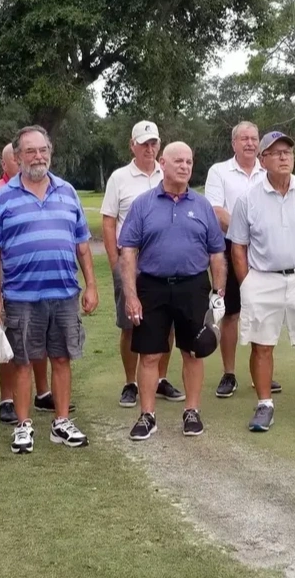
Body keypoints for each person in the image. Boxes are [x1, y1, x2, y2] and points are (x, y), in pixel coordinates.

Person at [0, 126, 98, 452]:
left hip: (64, 293)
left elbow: (82, 245)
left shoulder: (68, 192)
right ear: (17, 157)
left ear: (50, 152)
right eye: (30, 151)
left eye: (43, 149)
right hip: (21, 296)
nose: (38, 156)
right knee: (22, 361)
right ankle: (23, 425)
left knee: (61, 358)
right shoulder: (2, 197)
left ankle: (61, 423)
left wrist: (91, 286)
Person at [229, 131, 295, 433]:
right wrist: (246, 283)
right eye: (275, 152)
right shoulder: (247, 199)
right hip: (263, 279)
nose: (283, 157)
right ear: (262, 159)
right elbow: (238, 245)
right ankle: (264, 404)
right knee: (262, 345)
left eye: (287, 152)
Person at [119, 141, 228, 439]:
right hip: (152, 287)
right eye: (178, 160)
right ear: (163, 165)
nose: (184, 166)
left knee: (194, 352)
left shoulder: (202, 205)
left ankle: (191, 411)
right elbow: (128, 252)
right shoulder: (143, 204)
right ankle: (147, 415)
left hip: (193, 287)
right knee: (150, 355)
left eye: (189, 161)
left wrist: (218, 294)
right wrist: (130, 295)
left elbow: (217, 253)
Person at [101, 120, 185, 407]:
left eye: (154, 144)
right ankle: (131, 382)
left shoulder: (169, 171)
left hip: (164, 265)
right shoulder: (119, 178)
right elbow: (109, 222)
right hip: (131, 265)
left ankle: (159, 378)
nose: (149, 149)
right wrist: (115, 262)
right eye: (144, 144)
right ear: (132, 145)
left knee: (168, 326)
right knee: (130, 325)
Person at [0, 142, 61, 423]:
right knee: (9, 342)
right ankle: (7, 398)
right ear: (8, 162)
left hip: (40, 281)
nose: (29, 160)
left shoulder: (50, 187)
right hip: (8, 278)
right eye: (19, 156)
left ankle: (42, 392)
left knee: (38, 339)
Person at [202, 120, 266, 398]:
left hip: (265, 251)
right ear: (234, 143)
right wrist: (246, 235)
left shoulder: (268, 171)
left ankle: (260, 372)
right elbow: (216, 210)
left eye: (254, 138)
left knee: (263, 311)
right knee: (231, 313)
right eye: (244, 139)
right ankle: (229, 373)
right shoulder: (219, 171)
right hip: (229, 249)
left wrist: (259, 240)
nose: (250, 143)